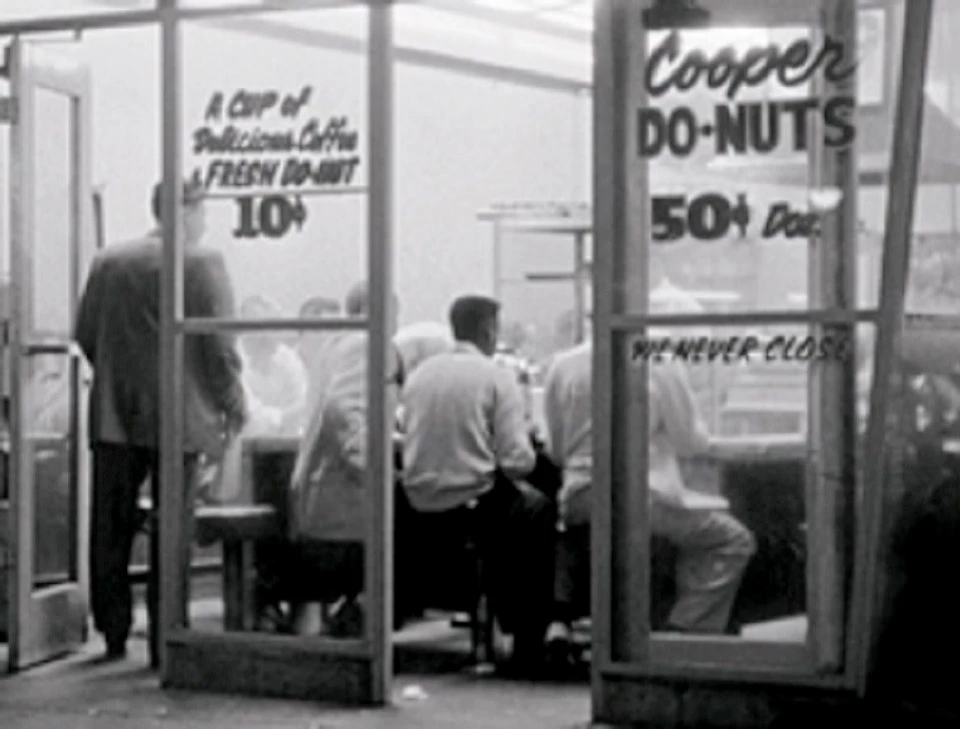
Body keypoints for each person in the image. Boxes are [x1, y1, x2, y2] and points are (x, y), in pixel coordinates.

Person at [75, 179, 246, 662]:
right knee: (172, 528)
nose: (205, 222)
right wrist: (232, 401)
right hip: (178, 416)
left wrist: (119, 376)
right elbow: (218, 344)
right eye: (203, 211)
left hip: (114, 414)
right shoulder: (203, 262)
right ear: (187, 211)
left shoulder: (108, 261)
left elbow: (85, 333)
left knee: (110, 526)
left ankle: (112, 628)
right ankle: (166, 634)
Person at [543, 342, 757, 658]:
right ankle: (683, 632)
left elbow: (556, 450)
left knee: (582, 531)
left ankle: (564, 622)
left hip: (580, 497)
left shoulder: (562, 364)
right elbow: (689, 441)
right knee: (732, 540)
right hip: (641, 499)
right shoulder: (660, 360)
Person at [401, 295, 556, 676]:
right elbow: (517, 461)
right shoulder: (496, 377)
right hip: (476, 507)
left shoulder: (419, 375)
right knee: (539, 509)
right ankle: (527, 640)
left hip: (417, 505)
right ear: (489, 331)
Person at [279, 281, 401, 636]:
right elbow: (343, 408)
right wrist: (372, 469)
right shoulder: (368, 344)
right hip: (346, 495)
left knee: (313, 609)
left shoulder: (336, 347)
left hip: (325, 492)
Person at [238, 295, 308, 435]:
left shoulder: (287, 358)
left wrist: (291, 416)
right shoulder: (232, 359)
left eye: (275, 327)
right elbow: (250, 421)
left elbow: (302, 408)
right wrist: (287, 416)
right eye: (262, 328)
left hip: (286, 439)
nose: (271, 335)